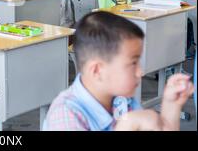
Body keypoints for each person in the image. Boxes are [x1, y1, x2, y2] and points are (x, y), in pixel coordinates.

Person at [43, 12, 194, 131]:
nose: (140, 72)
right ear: (97, 70)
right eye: (133, 63)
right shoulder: (65, 115)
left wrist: (170, 107)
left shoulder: (121, 99)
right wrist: (126, 126)